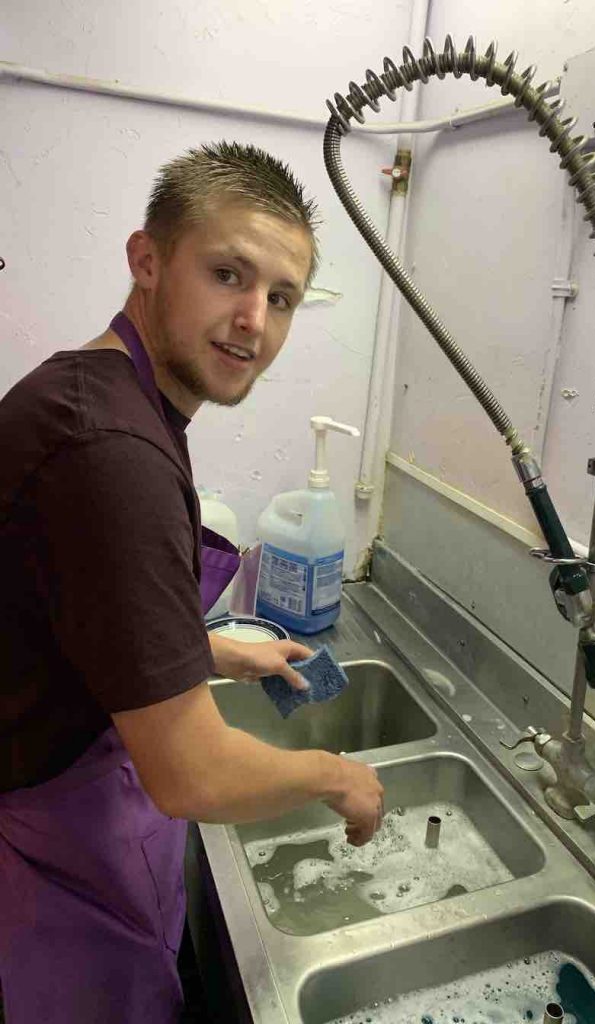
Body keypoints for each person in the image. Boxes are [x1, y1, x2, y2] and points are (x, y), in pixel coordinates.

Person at [0, 140, 384, 1023]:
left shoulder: (101, 396)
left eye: (281, 297)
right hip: (54, 858)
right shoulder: (112, 453)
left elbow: (77, 614)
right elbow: (190, 774)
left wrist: (211, 651)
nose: (255, 318)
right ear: (147, 259)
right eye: (227, 275)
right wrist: (339, 776)